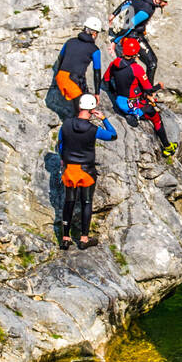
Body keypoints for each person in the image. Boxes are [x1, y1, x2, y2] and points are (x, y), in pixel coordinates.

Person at [57, 95, 117, 249]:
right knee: (86, 202)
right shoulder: (93, 129)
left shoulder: (66, 125)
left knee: (69, 201)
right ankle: (84, 239)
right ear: (91, 109)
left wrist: (63, 158)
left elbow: (61, 143)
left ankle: (65, 238)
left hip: (70, 169)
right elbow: (112, 135)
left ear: (79, 107)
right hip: (86, 170)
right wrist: (104, 118)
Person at [103, 37, 174, 154]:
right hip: (133, 103)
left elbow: (106, 79)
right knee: (156, 118)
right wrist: (158, 86)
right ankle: (167, 147)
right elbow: (148, 90)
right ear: (136, 53)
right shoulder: (137, 69)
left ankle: (130, 113)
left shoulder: (114, 64)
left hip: (120, 100)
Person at [107, 0, 170, 83]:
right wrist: (114, 42)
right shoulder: (146, 10)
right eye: (164, 2)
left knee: (151, 61)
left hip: (135, 33)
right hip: (133, 36)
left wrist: (114, 14)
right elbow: (129, 26)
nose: (166, 4)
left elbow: (128, 1)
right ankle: (148, 92)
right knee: (152, 63)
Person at [53, 16, 103, 109]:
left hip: (60, 77)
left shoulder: (69, 41)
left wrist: (58, 74)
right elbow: (97, 72)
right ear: (95, 33)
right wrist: (97, 93)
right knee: (84, 107)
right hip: (73, 80)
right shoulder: (95, 50)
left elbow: (60, 58)